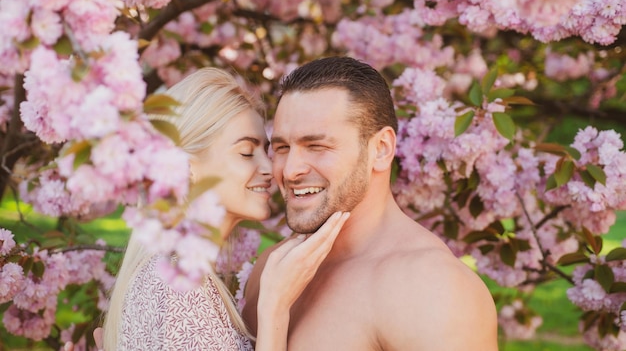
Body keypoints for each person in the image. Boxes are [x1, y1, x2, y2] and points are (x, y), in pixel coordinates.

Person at [242, 57, 499, 350]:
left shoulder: (432, 288)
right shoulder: (273, 269)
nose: (289, 171)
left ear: (381, 149)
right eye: (282, 147)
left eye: (317, 146)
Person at [89, 68, 350, 351]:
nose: (270, 169)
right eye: (247, 153)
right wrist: (274, 307)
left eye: (267, 151)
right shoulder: (182, 288)